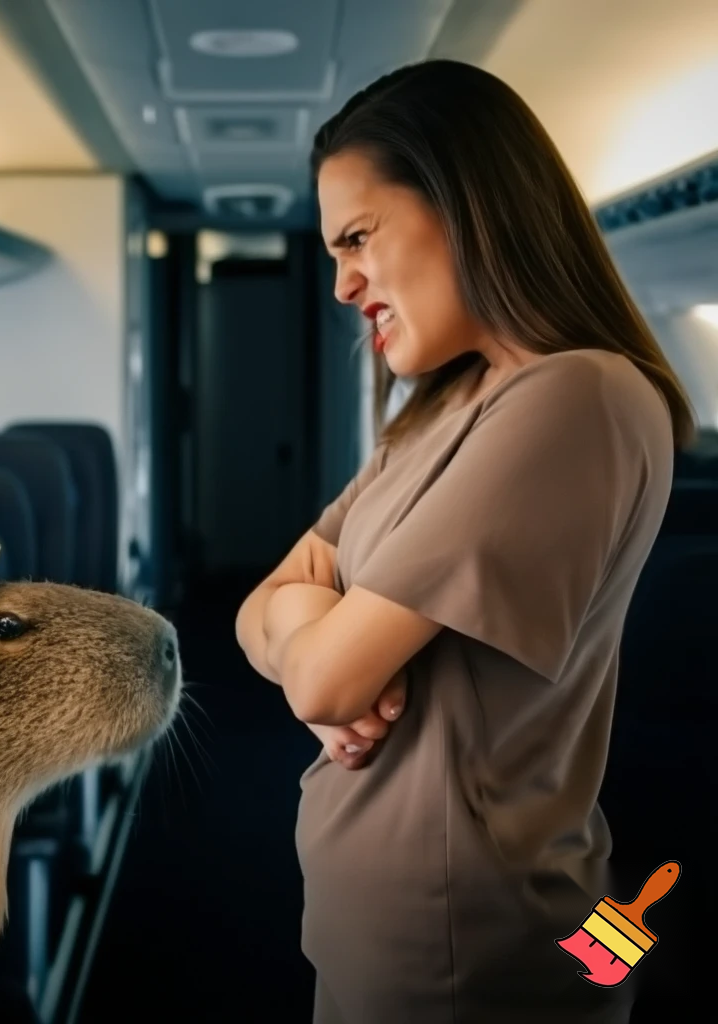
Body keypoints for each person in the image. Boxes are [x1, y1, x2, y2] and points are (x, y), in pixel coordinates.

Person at [234, 58, 695, 1024]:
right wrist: (304, 635)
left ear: (467, 203)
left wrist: (308, 658)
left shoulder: (579, 397)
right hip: (392, 930)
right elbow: (264, 604)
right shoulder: (443, 409)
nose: (342, 283)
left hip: (469, 953)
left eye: (357, 237)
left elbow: (323, 682)